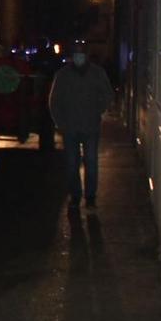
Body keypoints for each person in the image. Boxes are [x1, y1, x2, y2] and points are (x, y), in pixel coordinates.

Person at [48, 43, 113, 210]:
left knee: (91, 161)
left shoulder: (97, 73)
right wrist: (60, 122)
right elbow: (54, 101)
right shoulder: (63, 75)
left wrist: (97, 111)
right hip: (70, 128)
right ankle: (75, 196)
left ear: (86, 56)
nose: (79, 57)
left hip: (90, 126)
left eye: (81, 54)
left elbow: (107, 94)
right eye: (76, 54)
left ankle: (90, 196)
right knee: (72, 163)